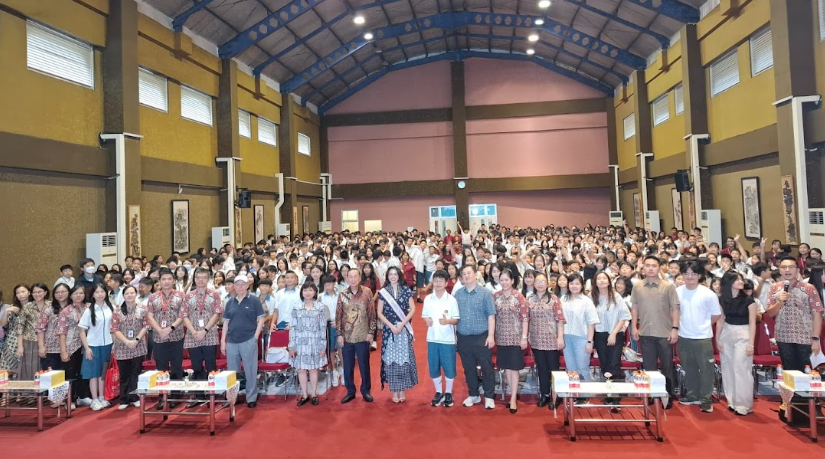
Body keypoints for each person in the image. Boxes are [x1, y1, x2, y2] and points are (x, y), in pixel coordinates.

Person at [630, 255, 680, 407]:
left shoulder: (668, 286)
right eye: (647, 265)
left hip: (665, 333)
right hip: (645, 333)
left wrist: (675, 329)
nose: (650, 268)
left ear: (659, 268)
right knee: (649, 367)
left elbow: (675, 309)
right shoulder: (637, 286)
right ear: (643, 268)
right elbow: (635, 308)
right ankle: (652, 394)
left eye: (654, 266)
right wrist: (634, 326)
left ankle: (667, 396)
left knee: (667, 367)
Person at [675, 261, 721, 413]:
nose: (690, 276)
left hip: (702, 338)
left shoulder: (708, 294)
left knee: (706, 370)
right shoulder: (677, 292)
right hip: (683, 336)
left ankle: (706, 400)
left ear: (699, 275)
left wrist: (703, 325)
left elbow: (716, 315)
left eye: (693, 273)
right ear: (682, 275)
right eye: (686, 273)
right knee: (689, 369)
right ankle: (692, 395)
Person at [766, 256, 823, 374]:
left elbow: (817, 314)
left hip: (805, 338)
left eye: (791, 267)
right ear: (779, 270)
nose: (787, 270)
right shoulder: (774, 288)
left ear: (797, 270)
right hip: (783, 337)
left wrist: (815, 339)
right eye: (784, 267)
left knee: (807, 372)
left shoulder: (808, 288)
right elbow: (770, 313)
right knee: (789, 373)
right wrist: (779, 302)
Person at [453, 264, 497, 410]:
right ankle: (473, 394)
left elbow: (491, 315)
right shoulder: (458, 294)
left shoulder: (485, 293)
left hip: (481, 336)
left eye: (469, 273)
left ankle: (489, 396)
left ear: (476, 275)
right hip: (463, 337)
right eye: (464, 274)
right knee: (468, 368)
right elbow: (454, 316)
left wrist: (491, 336)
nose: (466, 276)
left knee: (486, 367)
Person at [221, 273, 266, 408]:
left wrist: (255, 337)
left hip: (248, 339)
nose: (240, 287)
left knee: (250, 370)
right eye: (237, 284)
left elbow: (261, 319)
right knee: (232, 372)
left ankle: (251, 397)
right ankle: (232, 397)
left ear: (247, 286)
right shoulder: (230, 302)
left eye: (243, 284)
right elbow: (226, 323)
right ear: (234, 286)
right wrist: (223, 341)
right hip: (232, 341)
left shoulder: (254, 300)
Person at [716, 271, 757, 415]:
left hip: (744, 333)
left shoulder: (749, 300)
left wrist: (751, 343)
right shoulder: (722, 299)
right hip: (726, 333)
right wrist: (717, 339)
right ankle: (732, 401)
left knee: (741, 368)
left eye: (741, 279)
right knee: (727, 367)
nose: (741, 282)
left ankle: (744, 405)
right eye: (737, 279)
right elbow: (721, 320)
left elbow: (753, 323)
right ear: (729, 282)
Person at [181, 268, 222, 407]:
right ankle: (198, 396)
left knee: (211, 366)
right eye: (198, 277)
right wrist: (194, 332)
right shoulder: (188, 296)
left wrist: (204, 330)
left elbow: (217, 314)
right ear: (194, 279)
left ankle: (212, 395)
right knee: (196, 366)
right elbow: (184, 315)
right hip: (193, 335)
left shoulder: (214, 295)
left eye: (204, 277)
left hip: (209, 334)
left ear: (208, 279)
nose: (201, 280)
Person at [377, 266, 418, 403]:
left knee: (403, 360)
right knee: (391, 361)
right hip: (389, 331)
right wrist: (390, 326)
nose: (393, 276)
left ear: (399, 275)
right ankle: (394, 391)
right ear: (387, 276)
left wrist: (402, 324)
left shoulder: (405, 290)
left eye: (395, 274)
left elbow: (413, 309)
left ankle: (402, 390)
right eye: (390, 274)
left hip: (403, 329)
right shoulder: (383, 292)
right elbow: (379, 313)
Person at [146, 268, 185, 409]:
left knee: (176, 367)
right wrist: (160, 330)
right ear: (159, 281)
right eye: (163, 279)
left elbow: (183, 315)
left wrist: (170, 329)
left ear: (173, 281)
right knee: (161, 369)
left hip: (176, 337)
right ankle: (162, 397)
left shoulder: (181, 296)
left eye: (169, 279)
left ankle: (176, 396)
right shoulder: (153, 297)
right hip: (159, 337)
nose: (166, 282)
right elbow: (150, 316)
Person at [336, 269, 377, 404]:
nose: (353, 279)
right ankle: (350, 391)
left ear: (359, 278)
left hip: (363, 335)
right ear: (347, 278)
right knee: (348, 366)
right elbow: (338, 316)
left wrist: (371, 332)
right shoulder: (342, 294)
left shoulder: (367, 292)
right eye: (350, 277)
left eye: (355, 277)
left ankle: (366, 391)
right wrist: (339, 334)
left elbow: (372, 313)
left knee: (364, 365)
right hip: (347, 336)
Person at [591, 272, 630, 407]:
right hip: (599, 335)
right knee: (605, 364)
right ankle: (608, 393)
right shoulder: (592, 297)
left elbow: (624, 316)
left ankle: (616, 397)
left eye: (604, 278)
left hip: (615, 334)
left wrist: (613, 333)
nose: (602, 281)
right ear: (595, 282)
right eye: (599, 279)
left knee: (614, 363)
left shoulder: (615, 296)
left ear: (609, 281)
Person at [492, 268, 529, 413]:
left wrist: (524, 337)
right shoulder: (496, 296)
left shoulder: (519, 297)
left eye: (507, 280)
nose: (504, 282)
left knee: (514, 368)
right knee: (507, 367)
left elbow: (525, 318)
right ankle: (511, 395)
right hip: (501, 338)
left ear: (512, 281)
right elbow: (492, 316)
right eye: (502, 280)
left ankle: (513, 398)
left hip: (516, 338)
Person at [422, 269, 460, 408]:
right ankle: (438, 392)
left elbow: (456, 319)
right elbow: (425, 315)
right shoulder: (428, 299)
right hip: (432, 338)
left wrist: (447, 321)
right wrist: (427, 321)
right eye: (435, 281)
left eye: (440, 281)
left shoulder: (451, 300)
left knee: (449, 367)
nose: (437, 283)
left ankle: (448, 392)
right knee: (434, 367)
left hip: (447, 339)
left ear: (446, 283)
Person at [527, 273, 565, 408]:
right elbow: (526, 319)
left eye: (543, 281)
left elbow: (560, 320)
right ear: (534, 283)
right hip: (536, 339)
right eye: (537, 281)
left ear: (547, 283)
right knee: (541, 368)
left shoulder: (554, 299)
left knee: (553, 369)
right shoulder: (529, 299)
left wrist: (560, 337)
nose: (540, 284)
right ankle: (545, 394)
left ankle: (555, 396)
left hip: (551, 339)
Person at [288, 282, 328, 406]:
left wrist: (323, 346)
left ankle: (314, 394)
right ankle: (305, 395)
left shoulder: (321, 307)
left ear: (315, 292)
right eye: (305, 290)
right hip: (299, 343)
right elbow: (293, 327)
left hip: (315, 342)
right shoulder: (296, 307)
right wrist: (291, 346)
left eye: (310, 290)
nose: (308, 292)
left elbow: (323, 327)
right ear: (302, 292)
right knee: (301, 370)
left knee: (313, 369)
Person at [560, 274, 599, 397]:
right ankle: (574, 393)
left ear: (582, 285)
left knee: (582, 368)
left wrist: (590, 342)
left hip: (581, 338)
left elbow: (591, 323)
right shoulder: (563, 299)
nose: (574, 286)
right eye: (571, 283)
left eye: (577, 283)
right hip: (566, 337)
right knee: (571, 368)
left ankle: (584, 395)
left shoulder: (586, 301)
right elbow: (559, 320)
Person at [78, 283, 115, 411]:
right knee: (93, 374)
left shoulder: (111, 308)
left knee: (103, 373)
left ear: (106, 293)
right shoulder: (89, 310)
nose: (100, 294)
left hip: (107, 344)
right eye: (97, 292)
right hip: (93, 345)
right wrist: (87, 348)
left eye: (102, 291)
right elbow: (82, 331)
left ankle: (101, 397)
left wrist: (114, 344)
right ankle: (94, 399)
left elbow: (114, 328)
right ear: (93, 295)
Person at [111, 285, 148, 410]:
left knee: (135, 372)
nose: (130, 295)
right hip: (122, 346)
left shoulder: (143, 308)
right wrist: (127, 341)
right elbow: (114, 329)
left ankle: (135, 397)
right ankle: (124, 399)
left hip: (138, 345)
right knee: (124, 374)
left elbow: (146, 325)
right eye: (127, 293)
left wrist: (136, 340)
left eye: (132, 293)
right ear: (123, 295)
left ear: (136, 294)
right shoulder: (117, 311)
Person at [59, 285, 90, 407]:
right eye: (75, 293)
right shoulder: (66, 311)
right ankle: (69, 400)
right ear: (70, 296)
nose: (78, 295)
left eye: (81, 293)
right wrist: (63, 351)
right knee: (70, 373)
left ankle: (83, 396)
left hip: (87, 344)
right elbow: (62, 332)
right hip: (71, 345)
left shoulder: (89, 307)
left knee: (84, 372)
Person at [16, 283, 51, 381]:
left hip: (48, 341)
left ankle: (45, 389)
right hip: (29, 342)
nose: (37, 294)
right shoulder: (27, 307)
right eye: (34, 292)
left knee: (46, 368)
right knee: (29, 368)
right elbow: (20, 327)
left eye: (39, 292)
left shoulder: (51, 305)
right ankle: (29, 389)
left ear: (45, 292)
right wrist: (20, 346)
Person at [0, 284, 31, 377]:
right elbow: (3, 324)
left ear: (29, 292)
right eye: (18, 293)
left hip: (28, 340)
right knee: (6, 370)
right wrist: (7, 312)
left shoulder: (34, 307)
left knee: (25, 369)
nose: (21, 294)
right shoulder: (12, 307)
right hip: (11, 342)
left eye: (23, 291)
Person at [38, 283, 69, 372]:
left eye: (63, 292)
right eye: (57, 292)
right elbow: (40, 328)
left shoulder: (73, 308)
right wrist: (41, 346)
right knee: (51, 376)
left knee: (69, 377)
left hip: (70, 348)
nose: (60, 294)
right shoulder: (48, 309)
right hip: (51, 348)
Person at [319, 275, 342, 387]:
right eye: (326, 285)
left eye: (330, 284)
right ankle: (333, 372)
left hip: (339, 325)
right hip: (327, 326)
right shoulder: (320, 297)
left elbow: (345, 311)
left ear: (334, 284)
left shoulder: (340, 295)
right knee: (331, 350)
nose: (328, 287)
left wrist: (338, 322)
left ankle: (344, 371)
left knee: (341, 349)